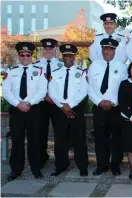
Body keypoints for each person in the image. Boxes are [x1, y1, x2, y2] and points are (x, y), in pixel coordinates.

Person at [2, 42, 47, 180]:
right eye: (22, 55)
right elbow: (6, 91)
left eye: (28, 55)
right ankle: (16, 170)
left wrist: (29, 103)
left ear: (31, 55)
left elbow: (42, 90)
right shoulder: (11, 71)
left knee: (35, 141)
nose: (25, 57)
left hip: (33, 110)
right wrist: (18, 104)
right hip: (16, 110)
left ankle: (36, 169)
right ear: (19, 55)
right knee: (17, 141)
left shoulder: (39, 71)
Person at [88, 38, 128, 176]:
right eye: (105, 48)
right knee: (100, 138)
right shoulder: (94, 66)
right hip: (99, 108)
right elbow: (89, 88)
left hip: (115, 108)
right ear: (102, 50)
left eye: (111, 49)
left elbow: (123, 89)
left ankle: (115, 164)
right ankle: (102, 165)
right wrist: (99, 101)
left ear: (115, 51)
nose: (108, 51)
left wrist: (112, 102)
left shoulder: (122, 67)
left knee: (117, 138)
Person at [48, 43, 89, 177]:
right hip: (59, 111)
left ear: (74, 56)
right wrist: (62, 106)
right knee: (60, 139)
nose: (68, 58)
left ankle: (82, 166)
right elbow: (51, 91)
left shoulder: (81, 73)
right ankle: (60, 165)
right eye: (65, 55)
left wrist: (69, 105)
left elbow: (83, 91)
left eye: (70, 56)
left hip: (75, 110)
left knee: (79, 139)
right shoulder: (55, 73)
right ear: (62, 56)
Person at [34, 38, 63, 169]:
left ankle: (60, 161)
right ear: (42, 49)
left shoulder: (61, 65)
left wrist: (54, 97)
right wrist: (45, 96)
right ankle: (41, 158)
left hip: (57, 104)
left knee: (60, 133)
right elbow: (33, 86)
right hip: (41, 103)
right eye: (46, 48)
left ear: (55, 49)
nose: (48, 50)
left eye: (51, 48)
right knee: (40, 132)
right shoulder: (36, 65)